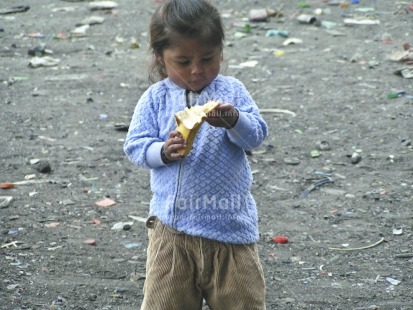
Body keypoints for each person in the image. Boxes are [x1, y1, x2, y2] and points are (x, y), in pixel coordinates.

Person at [123, 0, 268, 309]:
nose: (197, 70)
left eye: (207, 58)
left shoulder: (232, 92)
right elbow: (135, 145)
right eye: (183, 61)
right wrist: (161, 151)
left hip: (230, 229)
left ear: (221, 53)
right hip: (172, 233)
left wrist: (235, 120)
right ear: (161, 59)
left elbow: (255, 135)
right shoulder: (156, 98)